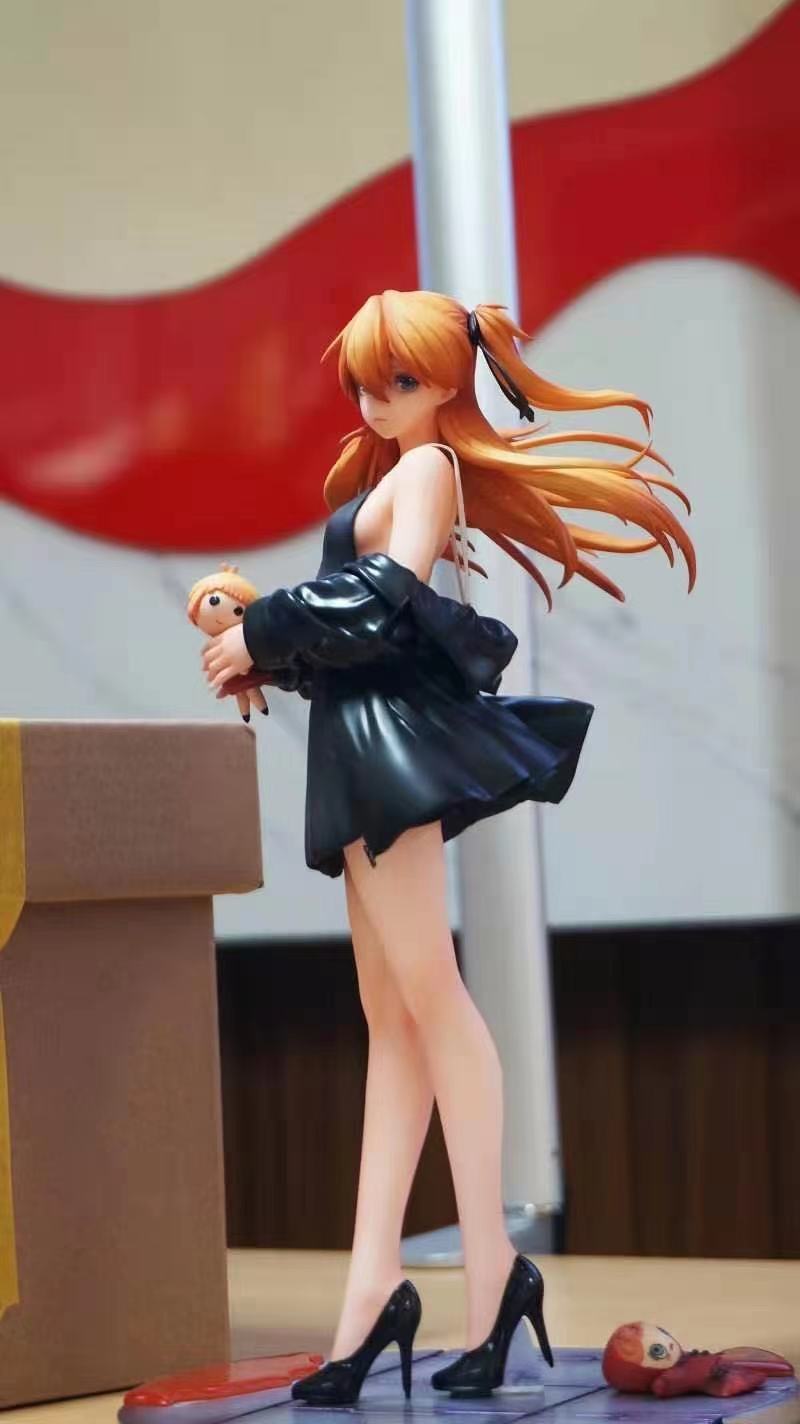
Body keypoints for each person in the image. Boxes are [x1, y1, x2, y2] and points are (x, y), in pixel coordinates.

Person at [202, 289, 695, 1405]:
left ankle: (487, 1273)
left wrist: (265, 625)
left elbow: (382, 599)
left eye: (400, 381)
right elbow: (360, 632)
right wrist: (261, 646)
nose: (377, 402)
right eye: (364, 383)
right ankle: (375, 1288)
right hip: (356, 741)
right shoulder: (388, 472)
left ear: (444, 382)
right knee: (392, 1015)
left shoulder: (425, 470)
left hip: (390, 755)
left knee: (431, 998)